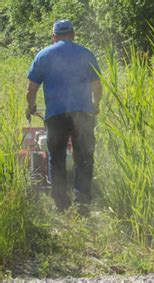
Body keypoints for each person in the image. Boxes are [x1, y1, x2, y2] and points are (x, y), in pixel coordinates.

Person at [26, 19, 102, 213]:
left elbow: (31, 89)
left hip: (56, 115)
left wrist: (31, 106)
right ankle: (83, 204)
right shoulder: (86, 54)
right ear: (73, 35)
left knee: (56, 158)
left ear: (54, 36)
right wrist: (95, 105)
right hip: (83, 113)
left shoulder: (43, 55)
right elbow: (97, 86)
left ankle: (61, 206)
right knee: (84, 157)